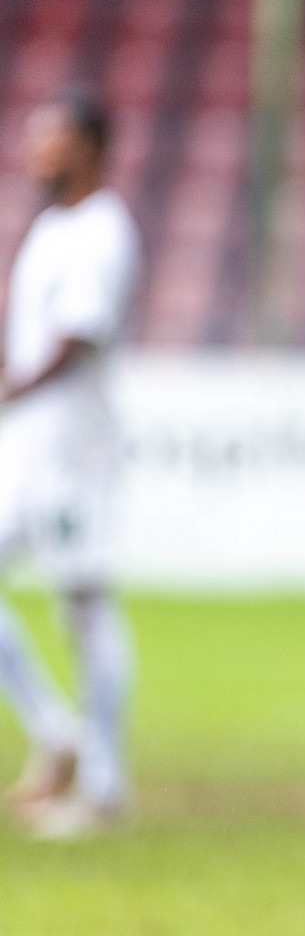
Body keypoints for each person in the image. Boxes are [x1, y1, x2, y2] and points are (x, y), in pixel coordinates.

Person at [0, 87, 139, 839]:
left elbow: (77, 336)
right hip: (28, 444)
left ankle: (104, 781)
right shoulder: (53, 227)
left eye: (47, 139)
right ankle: (59, 733)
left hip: (72, 450)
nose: (33, 153)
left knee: (83, 603)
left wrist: (13, 384)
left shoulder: (103, 230)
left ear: (88, 146)